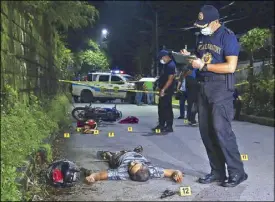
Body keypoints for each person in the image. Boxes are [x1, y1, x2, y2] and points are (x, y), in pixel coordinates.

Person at [180, 5, 247, 187]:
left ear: (216, 21)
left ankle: (237, 172)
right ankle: (217, 172)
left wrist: (203, 66)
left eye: (205, 23)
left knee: (221, 130)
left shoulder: (228, 36)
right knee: (206, 132)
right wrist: (190, 57)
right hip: (203, 87)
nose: (202, 27)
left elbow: (230, 67)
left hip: (221, 88)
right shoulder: (202, 36)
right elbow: (200, 58)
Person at [84, 146, 183, 184]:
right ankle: (135, 151)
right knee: (136, 153)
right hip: (136, 154)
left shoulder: (122, 173)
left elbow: (101, 175)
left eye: (132, 165)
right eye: (137, 163)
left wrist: (92, 177)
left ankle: (108, 155)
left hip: (119, 156)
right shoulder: (151, 171)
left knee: (110, 157)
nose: (133, 162)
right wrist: (177, 173)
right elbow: (172, 171)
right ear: (144, 166)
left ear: (130, 173)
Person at [152, 50, 176, 133]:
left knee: (166, 108)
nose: (161, 60)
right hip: (164, 89)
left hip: (167, 90)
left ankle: (169, 126)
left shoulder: (171, 65)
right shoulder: (166, 65)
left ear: (165, 56)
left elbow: (170, 79)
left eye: (161, 58)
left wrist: (163, 89)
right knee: (161, 107)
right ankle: (161, 124)